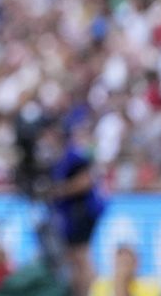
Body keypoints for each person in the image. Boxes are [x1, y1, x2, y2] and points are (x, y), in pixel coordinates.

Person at [45, 125, 105, 296]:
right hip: (72, 215)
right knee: (73, 258)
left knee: (81, 255)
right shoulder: (59, 158)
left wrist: (59, 191)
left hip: (82, 212)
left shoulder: (73, 156)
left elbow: (86, 181)